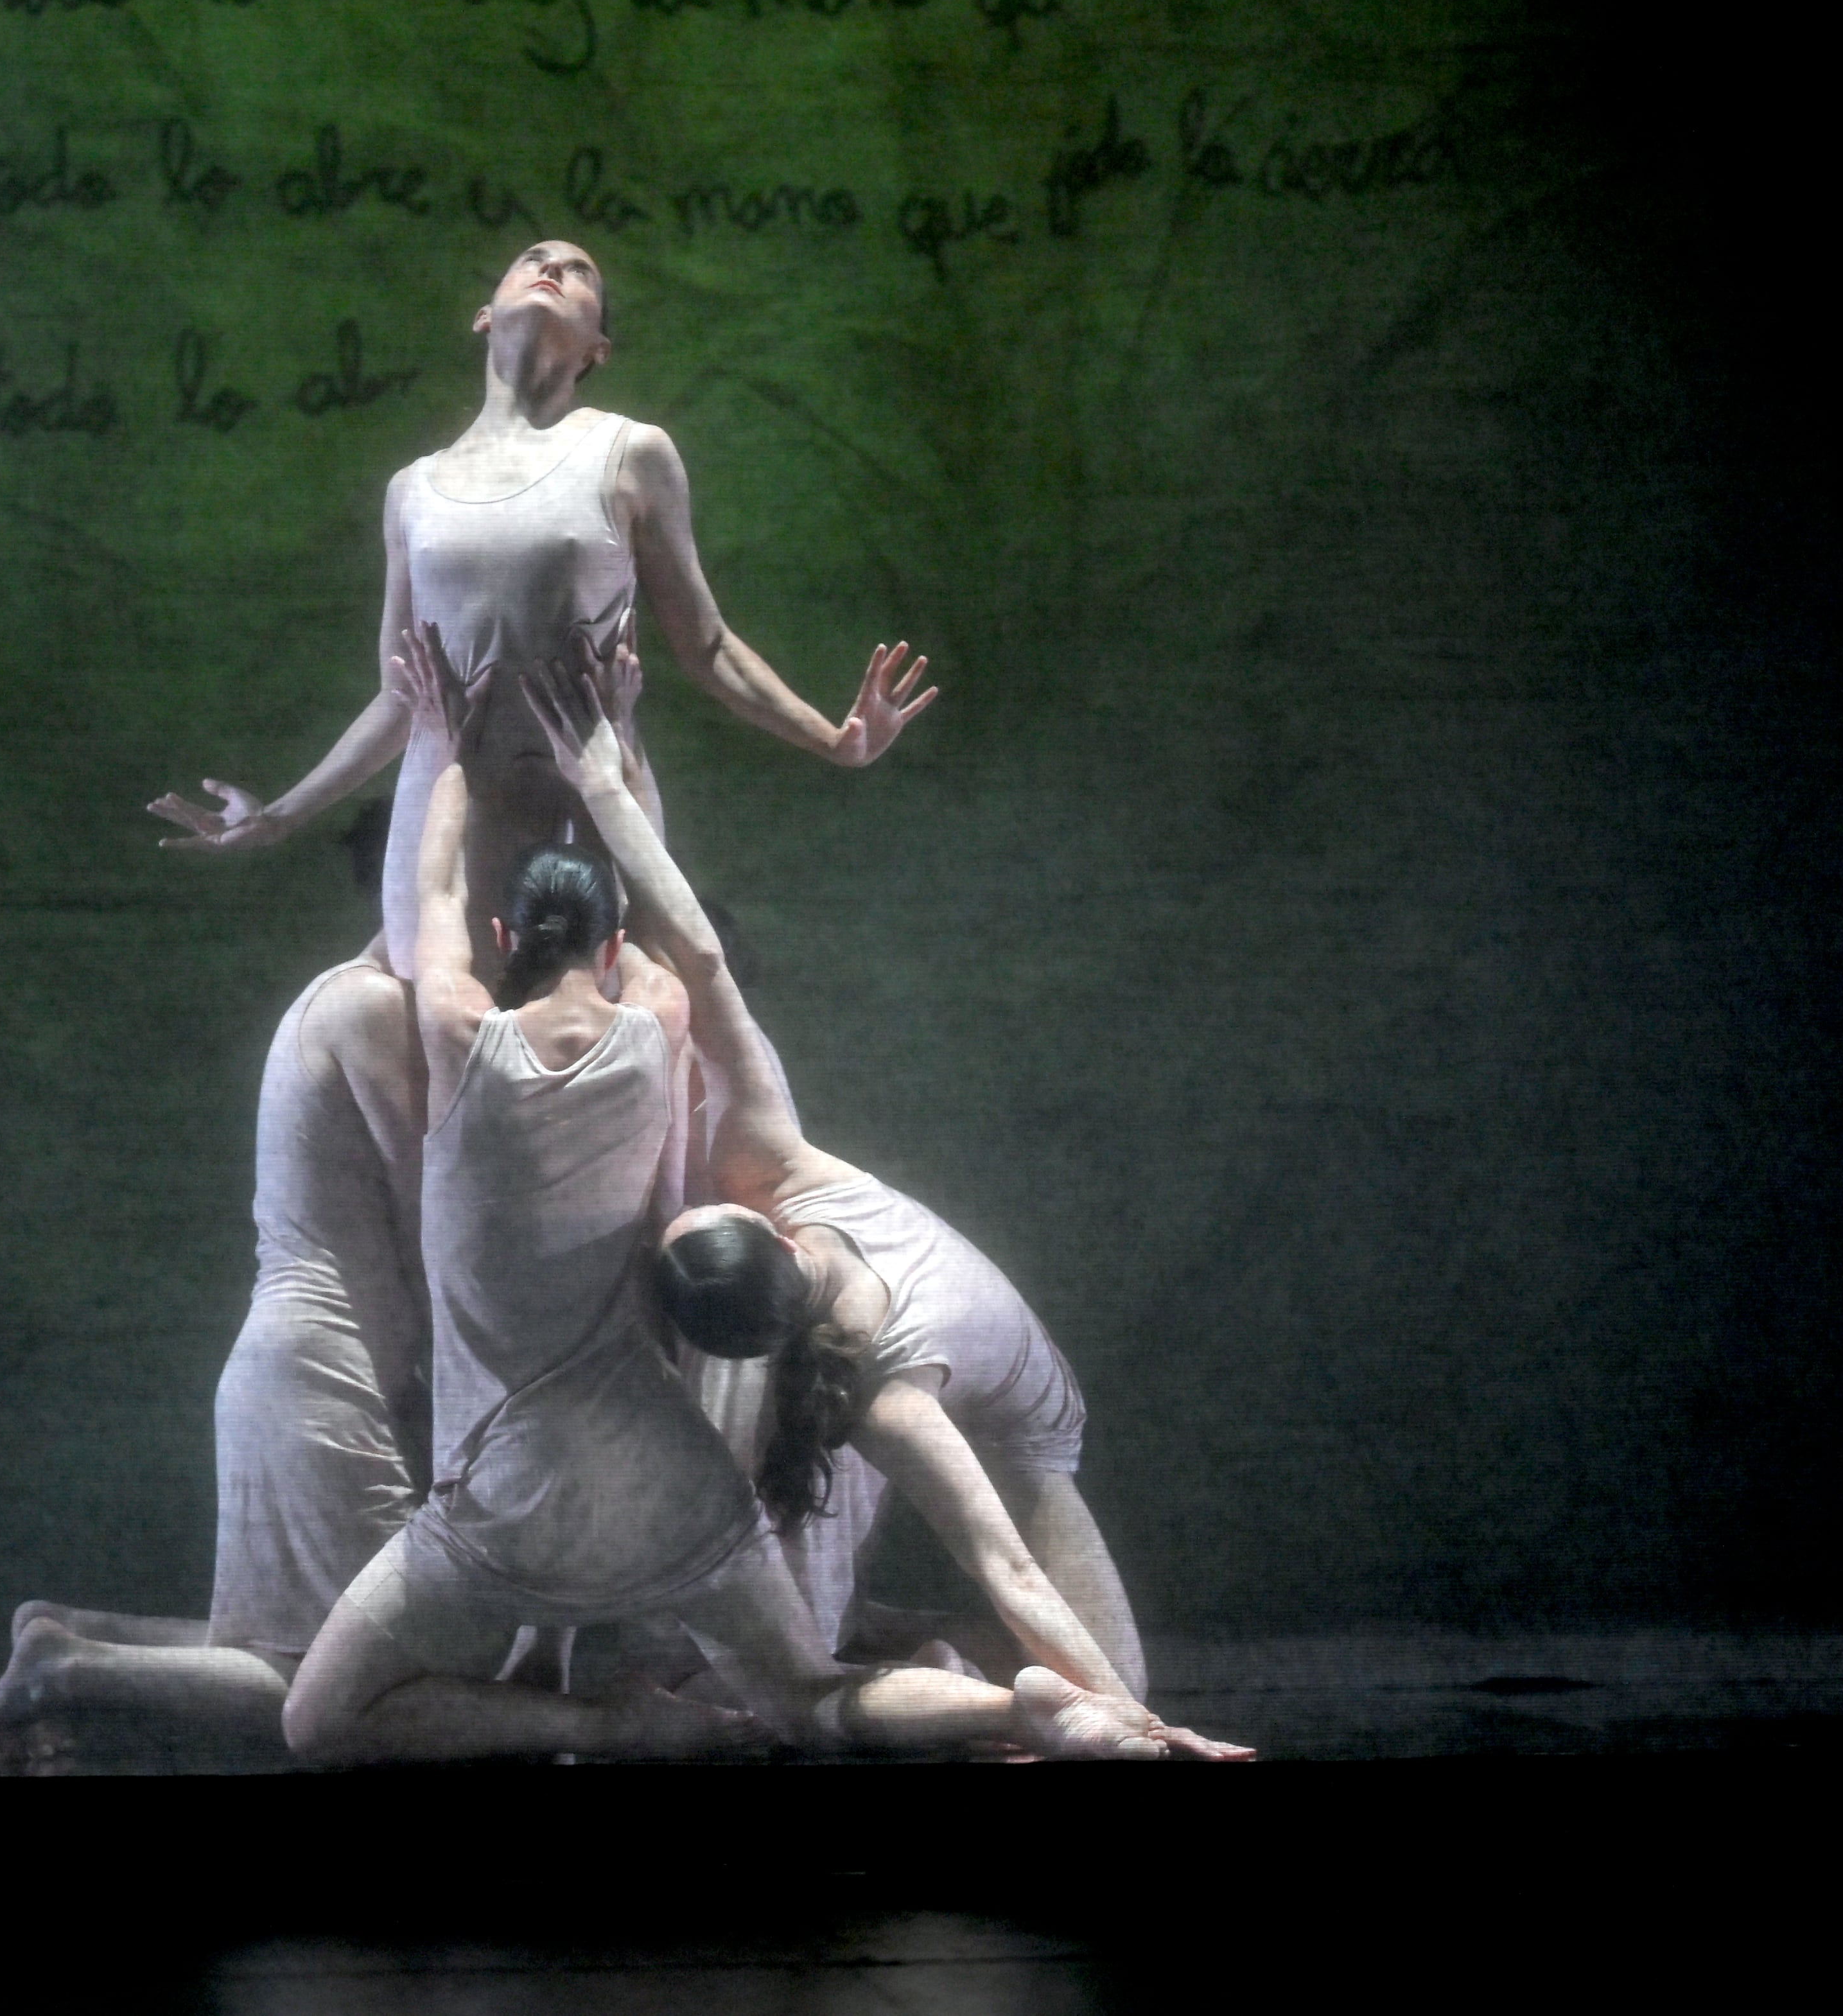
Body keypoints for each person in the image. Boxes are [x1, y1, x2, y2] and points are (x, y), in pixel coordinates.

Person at [275, 632, 1182, 1764]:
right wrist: (612, 759)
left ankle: (606, 1729)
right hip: (678, 1488)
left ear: (505, 939)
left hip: (514, 1494)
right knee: (807, 1695)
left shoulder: (458, 1039)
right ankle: (1018, 1709)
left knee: (319, 1718)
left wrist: (438, 743)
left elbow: (432, 894)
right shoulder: (659, 1027)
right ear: (616, 947)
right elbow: (686, 945)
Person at [518, 657, 1251, 1757]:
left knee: (1088, 1667)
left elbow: (690, 950)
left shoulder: (765, 1165)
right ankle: (854, 1642)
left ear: (771, 1227)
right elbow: (1001, 1563)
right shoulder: (855, 1358)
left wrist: (613, 772)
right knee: (871, 1647)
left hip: (1020, 1407)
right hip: (917, 1374)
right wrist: (1141, 1726)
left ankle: (870, 1636)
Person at [147, 239, 939, 985]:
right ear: (483, 316)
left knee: (598, 1029)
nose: (553, 268)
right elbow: (399, 695)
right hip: (449, 802)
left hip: (586, 798)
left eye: (579, 271)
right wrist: (279, 817)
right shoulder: (412, 490)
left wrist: (833, 739)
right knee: (450, 1031)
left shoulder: (630, 454)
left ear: (598, 349)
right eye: (533, 259)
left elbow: (706, 646)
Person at [0, 946, 430, 1769]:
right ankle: (69, 1667)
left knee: (286, 1657)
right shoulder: (370, 1008)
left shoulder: (343, 999)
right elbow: (434, 1221)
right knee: (345, 1691)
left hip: (302, 1375)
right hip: (327, 1382)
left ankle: (74, 1637)